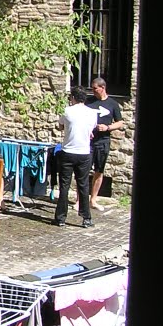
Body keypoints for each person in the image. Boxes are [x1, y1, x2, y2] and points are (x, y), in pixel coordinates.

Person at [53, 86, 99, 228]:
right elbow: (91, 130)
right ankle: (86, 218)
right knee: (83, 185)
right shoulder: (92, 113)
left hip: (68, 152)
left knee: (64, 186)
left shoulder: (67, 111)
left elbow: (60, 126)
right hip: (84, 153)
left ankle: (61, 218)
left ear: (73, 97)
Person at [86, 76, 124, 209]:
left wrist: (107, 127)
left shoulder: (113, 104)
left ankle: (93, 200)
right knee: (83, 171)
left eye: (95, 89)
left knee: (99, 170)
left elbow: (120, 122)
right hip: (88, 141)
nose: (93, 91)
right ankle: (80, 201)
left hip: (103, 141)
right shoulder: (88, 102)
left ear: (103, 88)